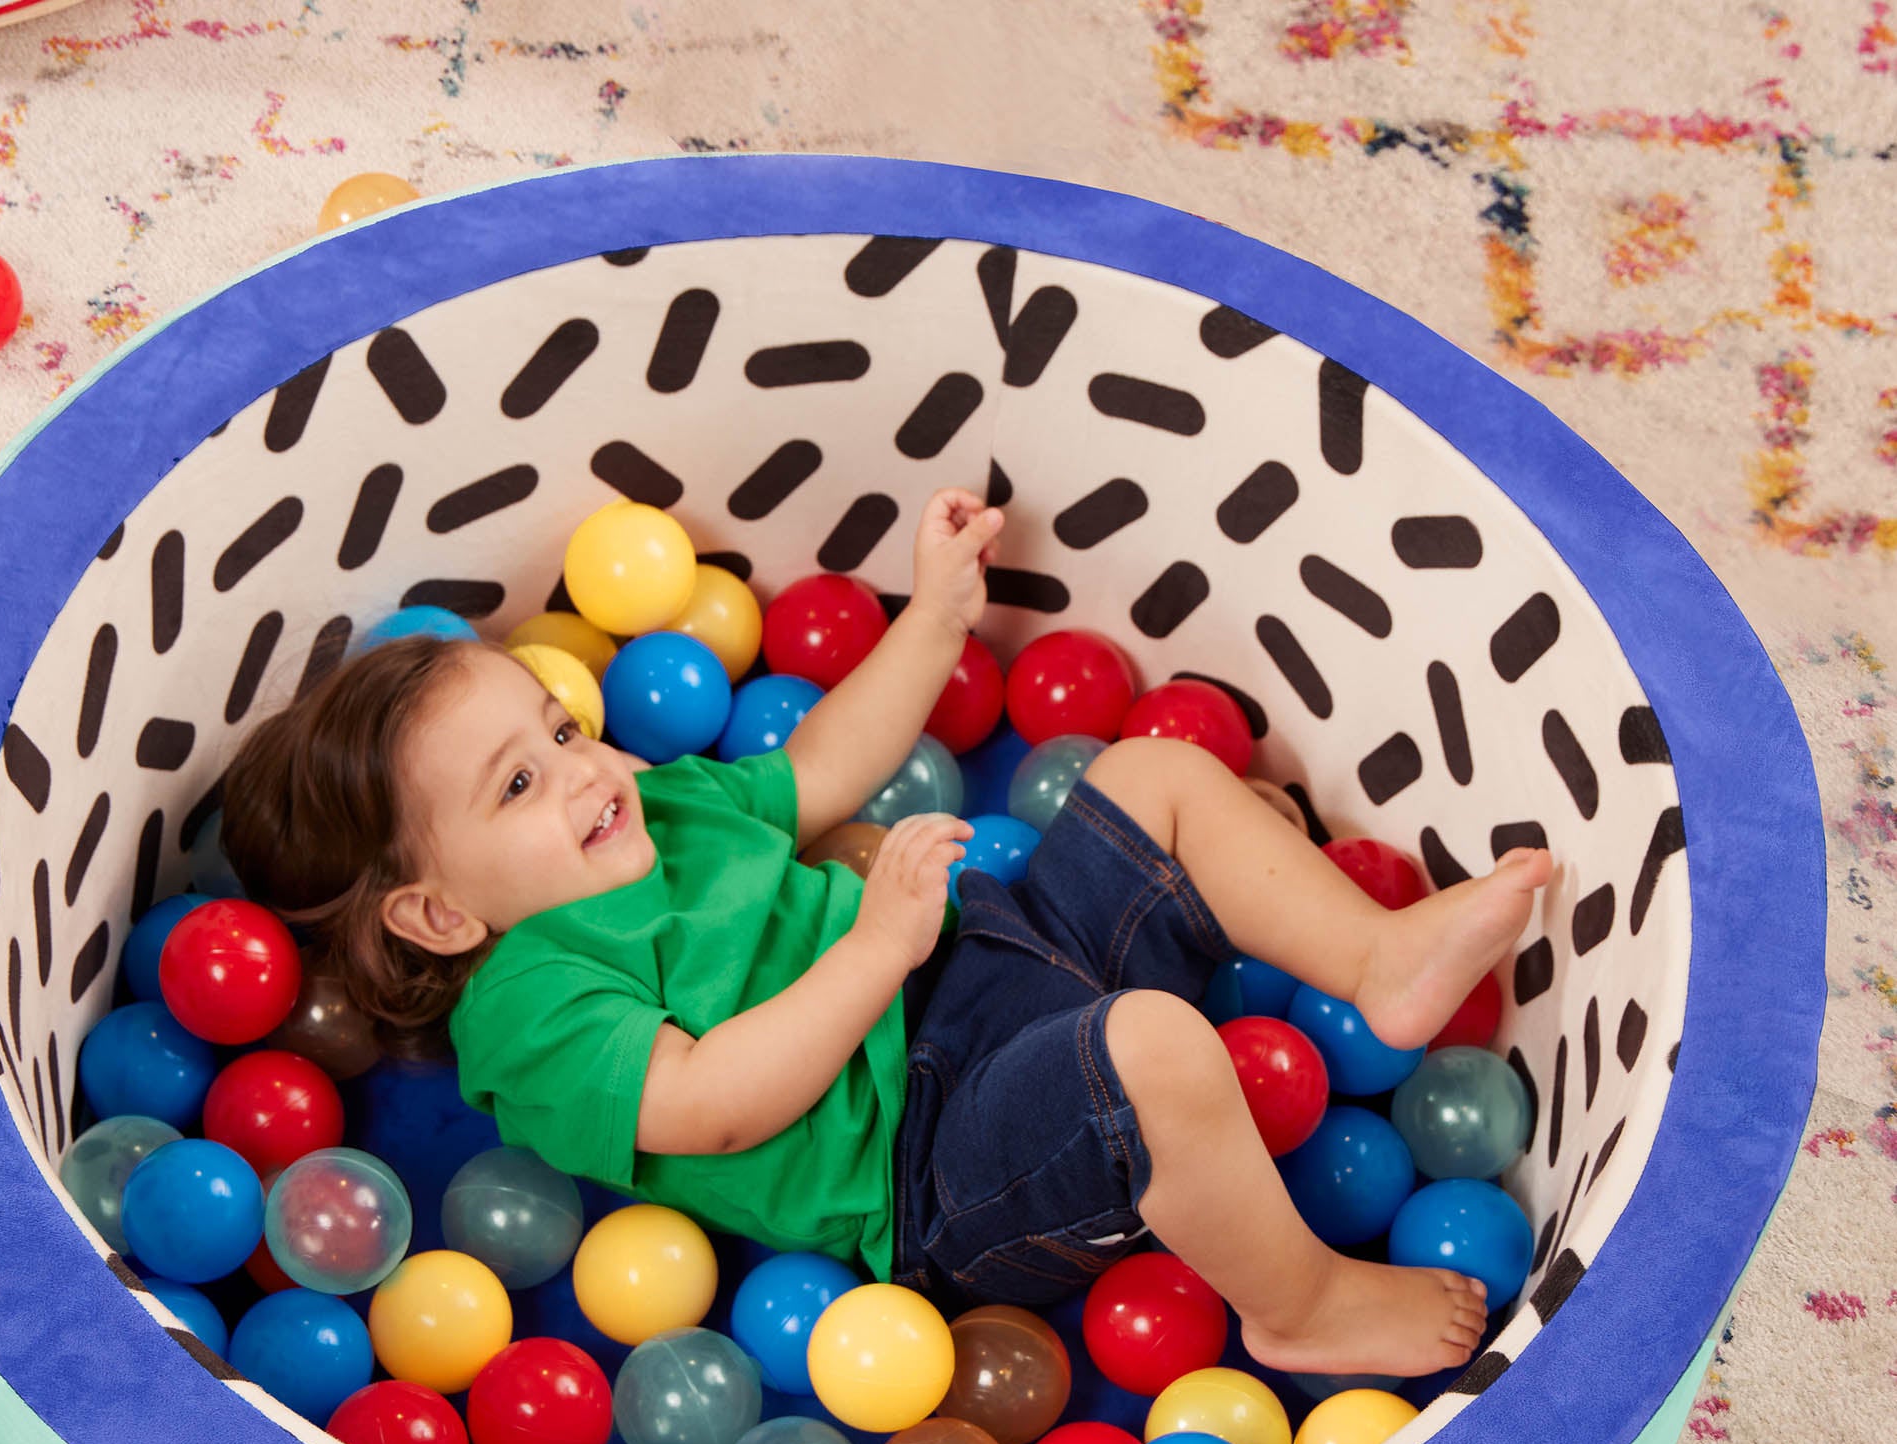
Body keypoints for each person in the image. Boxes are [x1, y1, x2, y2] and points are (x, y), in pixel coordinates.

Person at [220, 489, 1553, 1378]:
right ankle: (1301, 1306)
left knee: (1153, 774)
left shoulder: (661, 806)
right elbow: (712, 1105)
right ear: (441, 912)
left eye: (561, 729)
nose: (582, 770)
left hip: (988, 968)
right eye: (518, 784)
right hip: (935, 1162)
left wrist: (935, 616)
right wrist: (876, 949)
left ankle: (1379, 964)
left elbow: (821, 768)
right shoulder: (530, 1003)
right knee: (1152, 1052)